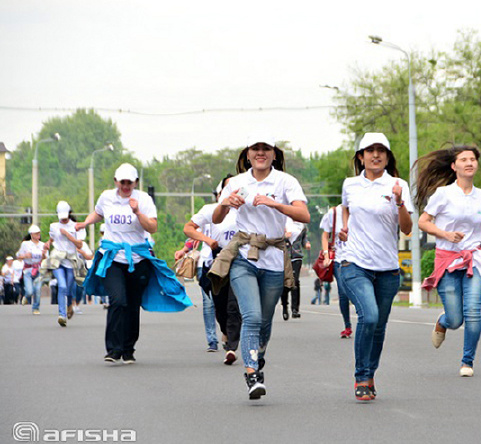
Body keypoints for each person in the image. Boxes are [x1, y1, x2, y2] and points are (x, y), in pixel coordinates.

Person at [211, 136, 309, 400]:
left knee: (264, 321)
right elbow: (216, 217)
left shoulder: (286, 182)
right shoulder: (237, 182)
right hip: (244, 256)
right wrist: (225, 204)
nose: (261, 153)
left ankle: (258, 353)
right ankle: (252, 373)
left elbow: (304, 216)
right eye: (256, 149)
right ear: (248, 153)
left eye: (266, 149)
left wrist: (275, 203)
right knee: (252, 317)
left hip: (275, 259)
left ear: (274, 154)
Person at [77, 163, 191, 364]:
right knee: (118, 300)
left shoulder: (143, 200)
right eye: (122, 182)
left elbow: (153, 227)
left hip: (137, 259)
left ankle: (128, 349)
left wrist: (138, 212)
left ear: (136, 182)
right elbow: (98, 213)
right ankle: (113, 349)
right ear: (116, 182)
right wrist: (85, 223)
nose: (126, 186)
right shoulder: (106, 197)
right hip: (113, 257)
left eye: (130, 182)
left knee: (132, 305)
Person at [337, 132, 413, 400]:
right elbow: (346, 209)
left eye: (381, 150)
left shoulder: (397, 184)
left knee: (379, 325)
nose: (376, 155)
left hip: (388, 268)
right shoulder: (350, 185)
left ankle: (370, 374)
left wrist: (400, 201)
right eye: (370, 150)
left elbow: (407, 229)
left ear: (387, 156)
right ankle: (361, 376)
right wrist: (344, 228)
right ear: (361, 156)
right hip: (355, 262)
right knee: (368, 316)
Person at [416, 144, 481, 378]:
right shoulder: (443, 194)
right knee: (455, 319)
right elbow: (423, 222)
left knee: (473, 312)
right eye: (464, 159)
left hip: (472, 259)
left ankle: (467, 361)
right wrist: (445, 234)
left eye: (472, 159)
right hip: (447, 261)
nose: (469, 163)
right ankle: (443, 322)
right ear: (454, 166)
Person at [181, 175, 242, 364]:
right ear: (221, 192)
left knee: (234, 305)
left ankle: (231, 346)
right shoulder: (210, 210)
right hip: (215, 260)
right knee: (219, 305)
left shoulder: (246, 211)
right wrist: (207, 241)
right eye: (228, 187)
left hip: (240, 259)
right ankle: (225, 331)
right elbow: (189, 228)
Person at [46, 201, 86, 326]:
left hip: (71, 262)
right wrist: (48, 243)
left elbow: (80, 244)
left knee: (68, 289)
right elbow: (53, 238)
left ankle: (69, 305)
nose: (63, 219)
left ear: (69, 213)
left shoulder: (77, 226)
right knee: (62, 286)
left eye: (65, 216)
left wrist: (68, 235)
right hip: (58, 261)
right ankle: (62, 315)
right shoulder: (53, 226)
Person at [320, 204, 352, 338]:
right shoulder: (334, 213)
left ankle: (367, 321)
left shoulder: (363, 208)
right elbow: (325, 235)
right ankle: (347, 325)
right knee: (343, 293)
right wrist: (326, 255)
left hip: (361, 258)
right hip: (340, 258)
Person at [281, 219, 310, 319]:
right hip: (284, 256)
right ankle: (284, 306)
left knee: (295, 281)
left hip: (297, 256)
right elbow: (274, 237)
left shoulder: (302, 224)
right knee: (285, 283)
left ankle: (295, 309)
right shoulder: (283, 221)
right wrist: (284, 237)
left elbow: (304, 238)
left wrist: (306, 244)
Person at [17, 225, 46, 314]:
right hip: (28, 269)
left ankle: (36, 308)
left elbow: (46, 258)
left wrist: (44, 254)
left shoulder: (43, 245)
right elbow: (18, 256)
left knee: (37, 289)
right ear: (31, 234)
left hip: (39, 269)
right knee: (29, 290)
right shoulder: (25, 244)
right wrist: (25, 256)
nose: (38, 235)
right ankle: (26, 296)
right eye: (36, 233)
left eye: (39, 233)